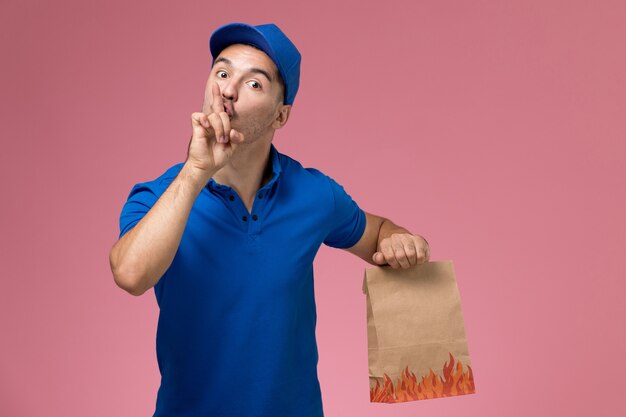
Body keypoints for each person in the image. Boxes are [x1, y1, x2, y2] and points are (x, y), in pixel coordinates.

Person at [109, 22, 430, 417]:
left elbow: (377, 231)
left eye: (254, 84)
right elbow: (129, 274)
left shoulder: (314, 194)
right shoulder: (160, 196)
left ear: (281, 116)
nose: (228, 90)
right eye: (222, 73)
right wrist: (195, 171)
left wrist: (398, 238)